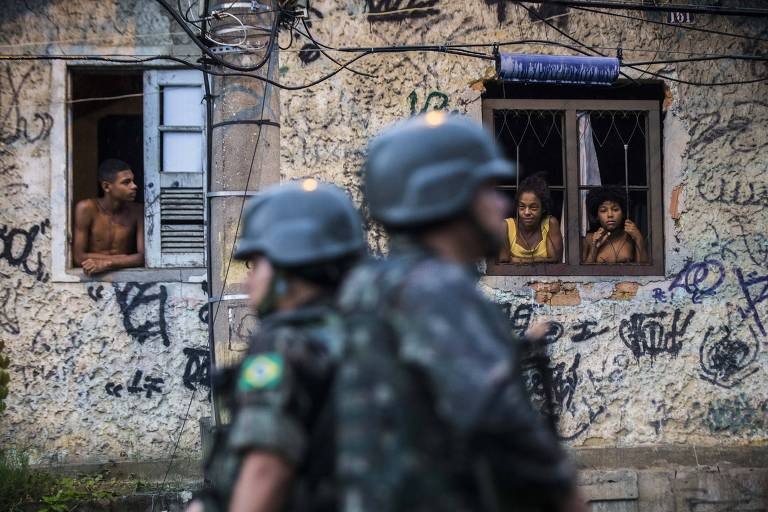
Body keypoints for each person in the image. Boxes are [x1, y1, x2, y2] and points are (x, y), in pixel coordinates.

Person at [336, 112, 584, 512]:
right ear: (448, 195)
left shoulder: (367, 286)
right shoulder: (440, 294)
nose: (501, 203)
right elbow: (521, 450)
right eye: (487, 188)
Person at [187, 179, 365, 512]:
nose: (248, 280)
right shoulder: (369, 330)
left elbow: (265, 471)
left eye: (255, 264)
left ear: (287, 268)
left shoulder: (284, 343)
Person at [73, 158, 144, 275]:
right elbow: (78, 256)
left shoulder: (138, 211)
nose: (134, 186)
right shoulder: (86, 208)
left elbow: (142, 257)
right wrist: (125, 258)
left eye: (133, 181)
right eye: (126, 182)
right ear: (106, 187)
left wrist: (107, 263)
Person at [499, 174, 563, 264]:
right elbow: (504, 260)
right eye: (522, 207)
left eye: (533, 208)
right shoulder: (506, 226)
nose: (527, 212)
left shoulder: (550, 224)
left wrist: (519, 260)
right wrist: (542, 260)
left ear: (543, 208)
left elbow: (555, 261)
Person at [582, 187, 647, 264]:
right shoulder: (589, 239)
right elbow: (583, 273)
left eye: (615, 210)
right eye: (603, 210)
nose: (610, 215)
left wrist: (638, 238)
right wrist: (594, 248)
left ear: (623, 213)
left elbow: (644, 269)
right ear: (597, 216)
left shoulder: (630, 237)